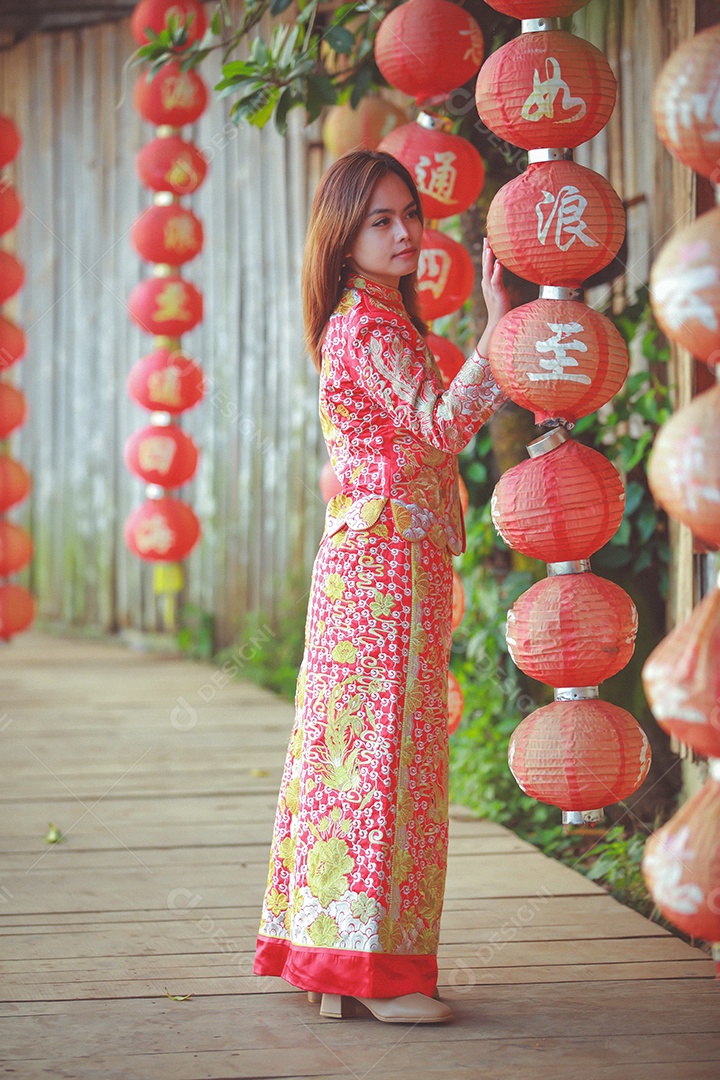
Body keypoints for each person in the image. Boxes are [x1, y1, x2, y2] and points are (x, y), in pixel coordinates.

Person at [253, 149, 510, 1024]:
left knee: (362, 759)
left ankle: (339, 968)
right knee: (383, 763)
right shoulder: (367, 329)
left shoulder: (379, 320)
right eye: (381, 220)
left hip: (389, 564)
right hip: (384, 572)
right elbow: (440, 428)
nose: (407, 234)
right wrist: (498, 333)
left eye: (411, 215)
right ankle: (370, 975)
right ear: (343, 236)